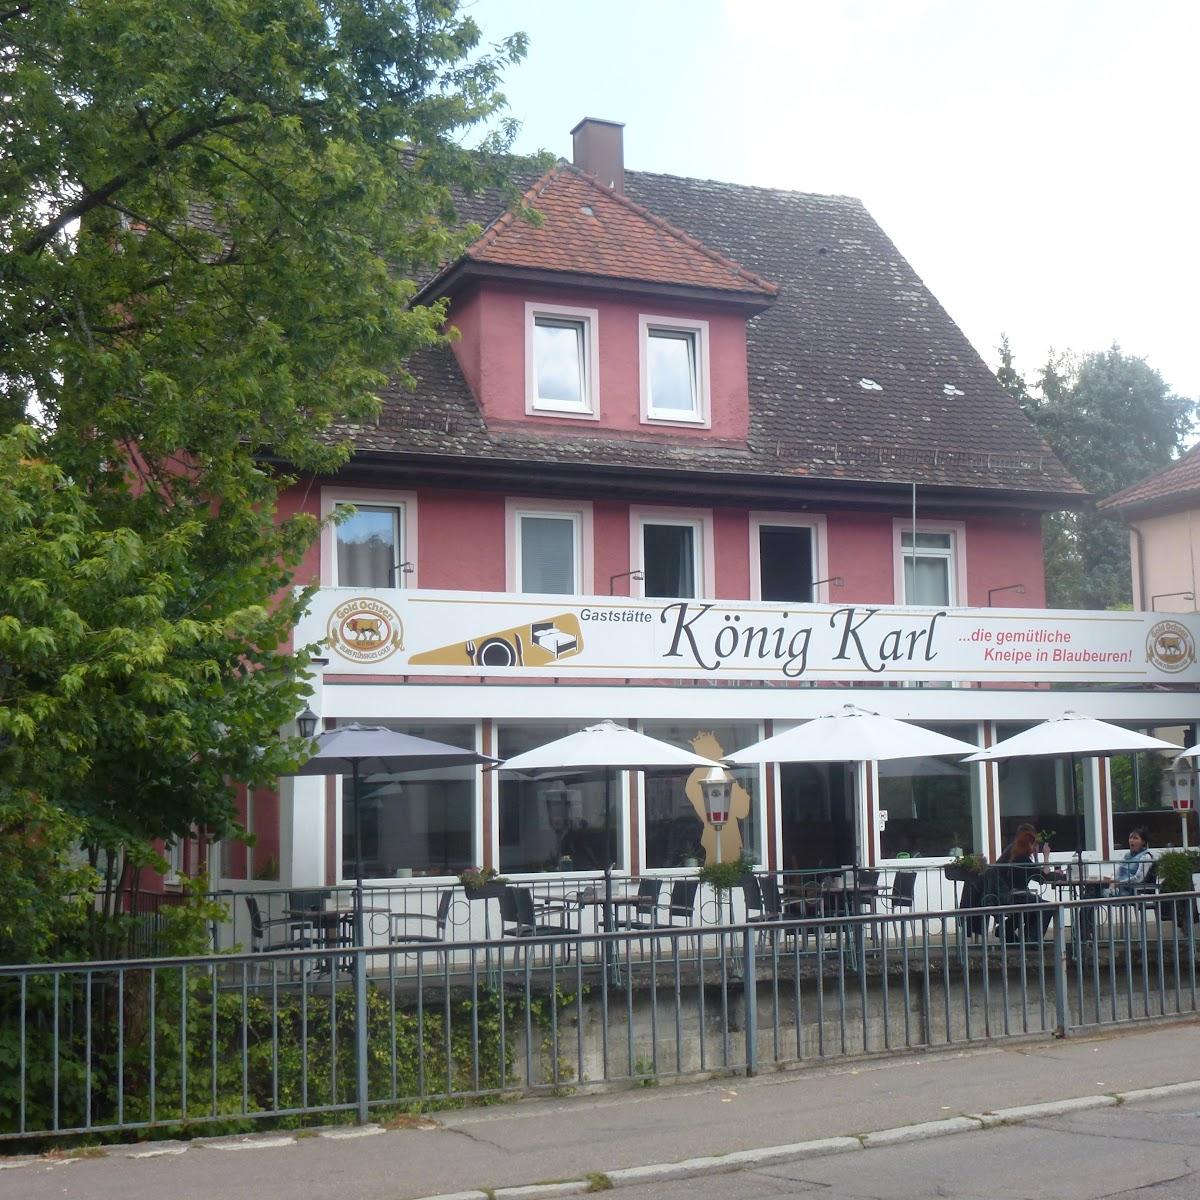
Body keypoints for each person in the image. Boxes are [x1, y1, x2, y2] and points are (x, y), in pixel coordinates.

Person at [1101, 827, 1153, 896]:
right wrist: (1113, 880)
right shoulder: (1127, 855)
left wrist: (1120, 883)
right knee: (1096, 892)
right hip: (1120, 887)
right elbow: (1118, 870)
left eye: (1135, 838)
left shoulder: (1146, 857)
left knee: (1099, 894)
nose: (1131, 840)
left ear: (1143, 842)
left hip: (1133, 890)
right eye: (1130, 838)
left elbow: (1139, 878)